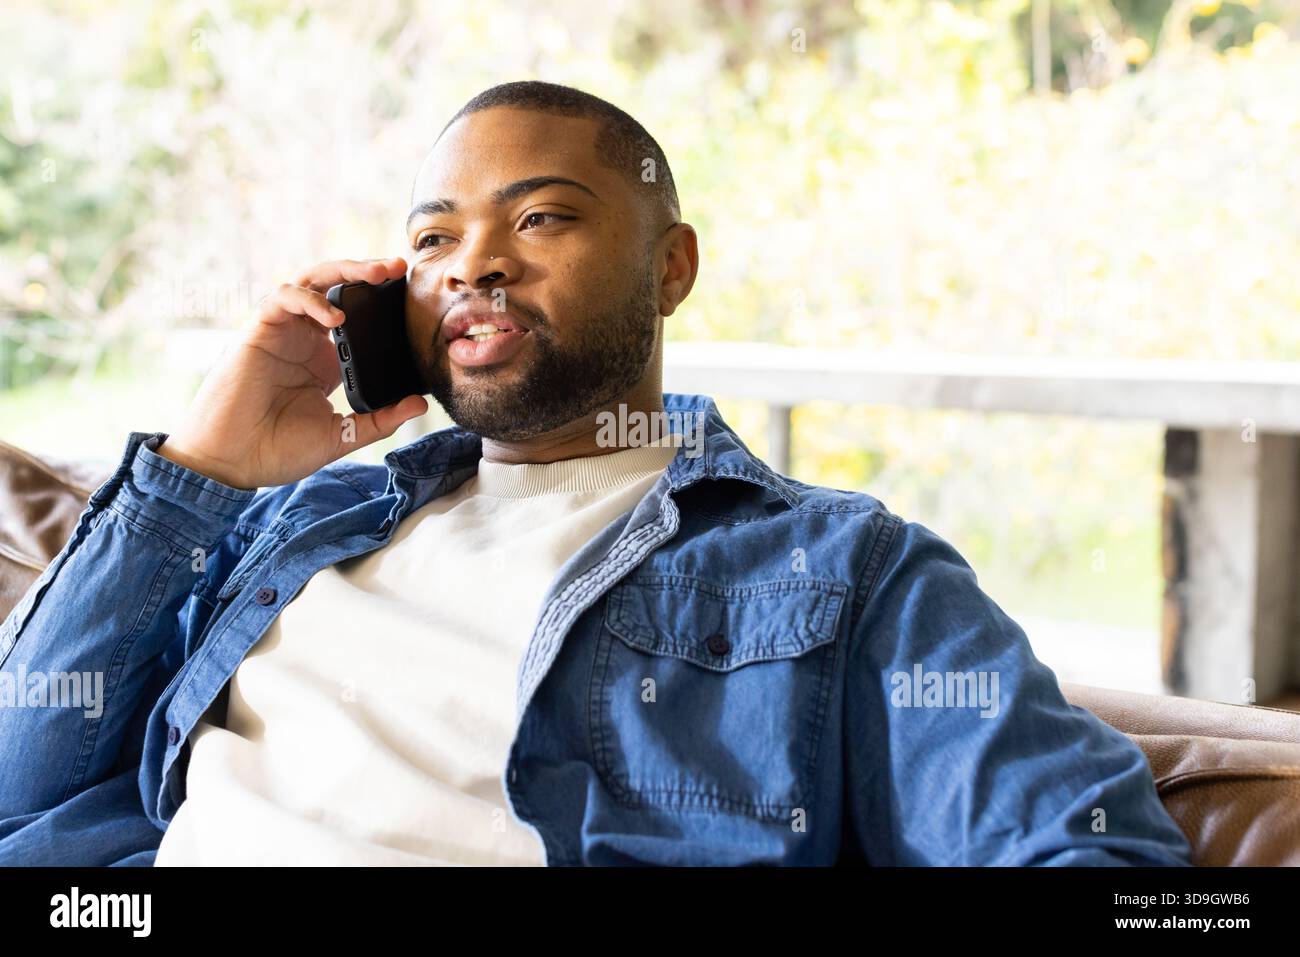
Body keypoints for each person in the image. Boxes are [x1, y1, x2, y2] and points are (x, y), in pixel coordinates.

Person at [0, 80, 1191, 866]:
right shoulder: (306, 521)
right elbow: (24, 777)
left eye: (542, 220)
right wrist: (203, 469)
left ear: (668, 268)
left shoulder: (842, 570)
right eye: (431, 239)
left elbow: (1099, 856)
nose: (475, 265)